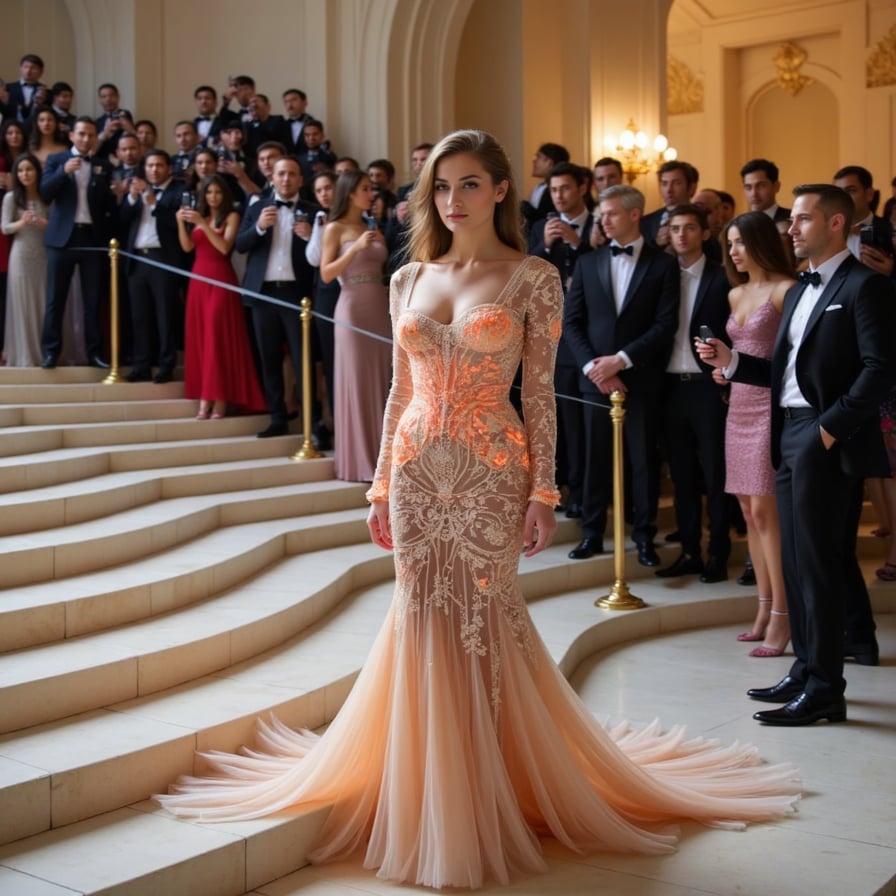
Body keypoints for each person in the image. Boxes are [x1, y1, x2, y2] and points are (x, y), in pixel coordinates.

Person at [156, 129, 799, 890]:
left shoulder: (533, 277)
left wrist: (543, 490)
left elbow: (537, 398)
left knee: (483, 617)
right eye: (440, 187)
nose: (452, 200)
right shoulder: (407, 278)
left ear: (499, 189)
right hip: (419, 470)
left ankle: (490, 778)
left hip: (494, 469)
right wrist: (380, 484)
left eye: (467, 184)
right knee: (422, 616)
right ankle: (426, 780)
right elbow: (399, 391)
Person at [697, 184, 896, 724]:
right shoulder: (803, 289)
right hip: (785, 432)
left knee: (820, 564)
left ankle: (827, 687)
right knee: (795, 560)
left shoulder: (865, 287)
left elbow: (881, 369)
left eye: (803, 219)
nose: (791, 227)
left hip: (823, 437)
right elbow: (784, 371)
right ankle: (806, 669)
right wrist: (734, 363)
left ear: (836, 225)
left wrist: (830, 429)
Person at [564, 183, 680, 564]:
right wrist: (595, 368)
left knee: (643, 462)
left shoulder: (663, 265)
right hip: (593, 380)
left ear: (634, 215)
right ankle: (592, 534)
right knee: (594, 458)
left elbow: (665, 326)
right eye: (601, 214)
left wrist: (622, 361)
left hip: (641, 378)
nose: (603, 220)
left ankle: (645, 537)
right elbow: (572, 322)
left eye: (611, 213)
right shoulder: (587, 262)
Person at [712, 212, 795, 656]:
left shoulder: (786, 290)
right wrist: (724, 369)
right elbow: (741, 355)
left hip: (770, 409)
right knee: (748, 514)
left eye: (741, 241)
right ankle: (763, 607)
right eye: (730, 244)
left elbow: (792, 360)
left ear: (761, 242)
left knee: (767, 515)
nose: (735, 251)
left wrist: (739, 365)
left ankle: (784, 615)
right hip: (738, 407)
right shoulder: (734, 291)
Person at [654, 204, 732, 583]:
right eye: (674, 228)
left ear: (704, 233)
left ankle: (719, 552)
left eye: (689, 228)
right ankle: (689, 551)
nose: (680, 235)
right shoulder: (658, 275)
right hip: (669, 387)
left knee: (716, 473)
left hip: (708, 388)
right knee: (682, 476)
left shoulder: (723, 278)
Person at [236, 156, 316, 438]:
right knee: (268, 360)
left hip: (298, 295)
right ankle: (277, 417)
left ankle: (313, 422)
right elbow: (240, 245)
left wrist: (310, 238)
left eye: (291, 174)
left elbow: (322, 257)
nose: (285, 179)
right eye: (281, 174)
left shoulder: (313, 211)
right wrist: (258, 227)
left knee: (302, 360)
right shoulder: (256, 207)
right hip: (263, 294)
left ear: (300, 180)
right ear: (272, 178)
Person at [320, 170, 391, 481]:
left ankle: (385, 458)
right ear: (349, 193)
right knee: (359, 381)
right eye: (365, 189)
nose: (370, 194)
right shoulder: (334, 228)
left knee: (385, 381)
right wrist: (356, 248)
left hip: (380, 306)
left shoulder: (370, 226)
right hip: (352, 309)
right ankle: (361, 462)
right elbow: (325, 273)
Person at [177, 174, 266, 418]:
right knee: (202, 338)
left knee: (217, 337)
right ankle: (205, 398)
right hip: (198, 279)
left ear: (224, 194)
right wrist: (180, 223)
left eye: (217, 192)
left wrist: (203, 225)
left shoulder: (232, 216)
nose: (212, 197)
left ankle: (221, 399)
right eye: (208, 192)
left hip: (220, 279)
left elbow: (224, 247)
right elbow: (187, 247)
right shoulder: (199, 216)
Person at [40, 116, 117, 369]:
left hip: (92, 238)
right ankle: (51, 352)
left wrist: (116, 194)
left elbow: (106, 206)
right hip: (62, 238)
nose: (86, 139)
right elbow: (45, 193)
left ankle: (94, 353)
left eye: (91, 135)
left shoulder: (102, 165)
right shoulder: (56, 160)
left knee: (92, 300)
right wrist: (63, 172)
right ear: (72, 135)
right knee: (55, 299)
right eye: (81, 134)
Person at [118, 149, 187, 383]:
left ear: (168, 168)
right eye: (150, 166)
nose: (154, 170)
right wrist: (132, 197)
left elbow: (178, 225)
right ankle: (141, 366)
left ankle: (166, 365)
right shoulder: (138, 191)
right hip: (137, 259)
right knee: (139, 316)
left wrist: (155, 204)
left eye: (159, 165)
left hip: (163, 260)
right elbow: (122, 218)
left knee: (165, 315)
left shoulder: (179, 191)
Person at [2, 153, 48, 366]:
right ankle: (24, 356)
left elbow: (56, 225)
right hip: (20, 255)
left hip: (43, 253)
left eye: (29, 169)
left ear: (37, 172)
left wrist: (44, 223)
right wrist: (21, 222)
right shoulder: (11, 198)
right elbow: (5, 227)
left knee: (43, 301)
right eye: (20, 170)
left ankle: (44, 352)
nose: (25, 174)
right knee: (22, 304)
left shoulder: (46, 196)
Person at [640, 160, 698, 248]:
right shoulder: (646, 222)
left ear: (690, 187)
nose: (669, 190)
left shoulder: (703, 218)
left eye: (676, 183)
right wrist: (656, 244)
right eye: (664, 184)